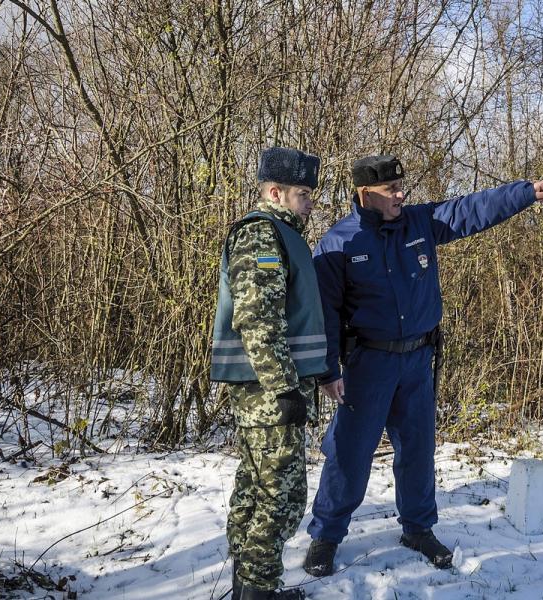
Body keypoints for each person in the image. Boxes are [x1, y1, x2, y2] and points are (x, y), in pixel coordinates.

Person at [302, 155, 543, 575]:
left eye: (402, 186)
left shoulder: (418, 222)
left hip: (419, 359)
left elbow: (470, 210)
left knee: (418, 450)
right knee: (350, 453)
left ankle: (418, 527)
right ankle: (326, 536)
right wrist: (328, 371)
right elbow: (325, 313)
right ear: (366, 194)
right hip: (368, 363)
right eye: (392, 190)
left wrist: (525, 193)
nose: (402, 195)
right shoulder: (339, 243)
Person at [211, 147, 328, 600]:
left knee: (255, 488)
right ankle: (259, 590)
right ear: (275, 192)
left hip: (267, 390)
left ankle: (249, 586)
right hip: (268, 392)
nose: (311, 202)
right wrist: (283, 388)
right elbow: (257, 317)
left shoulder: (283, 234)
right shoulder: (262, 236)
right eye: (303, 194)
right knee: (281, 499)